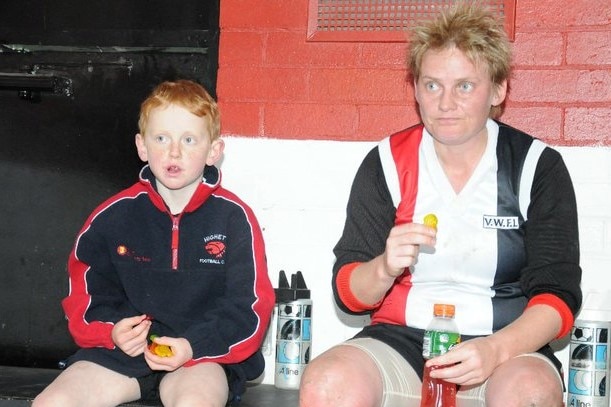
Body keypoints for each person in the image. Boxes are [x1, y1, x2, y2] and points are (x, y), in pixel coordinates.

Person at [299, 3, 581, 407]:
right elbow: (349, 293)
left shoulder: (537, 166)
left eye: (464, 86)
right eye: (432, 85)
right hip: (402, 341)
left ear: (498, 90)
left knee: (530, 393)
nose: (445, 102)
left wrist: (496, 350)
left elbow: (558, 297)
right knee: (326, 384)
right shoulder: (386, 162)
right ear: (415, 89)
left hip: (504, 347)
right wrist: (383, 266)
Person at [33, 79, 275, 407]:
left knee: (195, 403)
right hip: (124, 354)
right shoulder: (111, 216)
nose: (174, 151)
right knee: (53, 403)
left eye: (189, 140)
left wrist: (192, 345)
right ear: (142, 146)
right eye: (162, 138)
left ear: (213, 151)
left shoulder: (234, 218)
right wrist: (112, 331)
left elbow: (248, 308)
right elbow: (86, 296)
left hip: (199, 357)